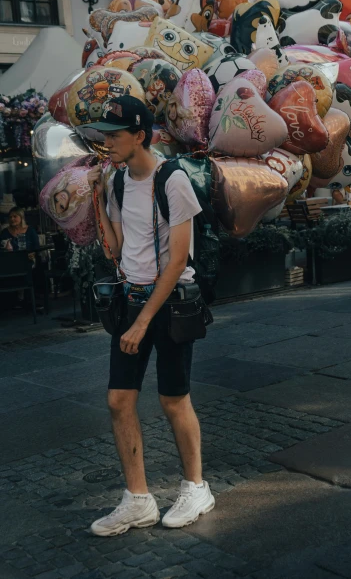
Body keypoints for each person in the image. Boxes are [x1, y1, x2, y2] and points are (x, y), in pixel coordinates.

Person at [84, 96, 214, 537]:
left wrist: (142, 323)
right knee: (119, 400)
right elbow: (117, 249)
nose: (106, 143)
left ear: (139, 136)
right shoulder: (119, 183)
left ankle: (196, 487)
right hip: (130, 298)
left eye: (114, 135)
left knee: (173, 399)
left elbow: (178, 260)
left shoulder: (173, 180)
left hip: (171, 302)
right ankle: (138, 500)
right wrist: (100, 201)